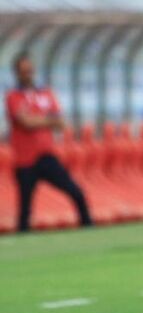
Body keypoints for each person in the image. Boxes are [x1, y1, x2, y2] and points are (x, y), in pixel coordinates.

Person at [6, 52, 93, 232]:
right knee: (25, 207)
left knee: (76, 192)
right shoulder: (13, 96)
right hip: (24, 160)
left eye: (30, 71)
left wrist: (39, 119)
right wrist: (46, 120)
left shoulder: (45, 93)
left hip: (46, 156)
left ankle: (88, 227)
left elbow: (60, 122)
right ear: (17, 73)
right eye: (23, 71)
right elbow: (26, 122)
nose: (28, 75)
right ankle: (24, 239)